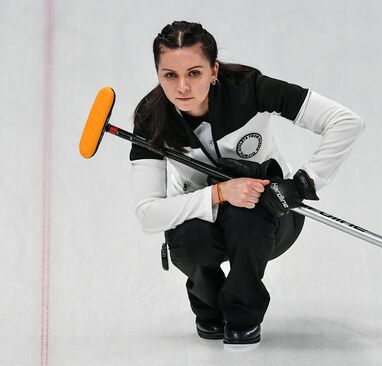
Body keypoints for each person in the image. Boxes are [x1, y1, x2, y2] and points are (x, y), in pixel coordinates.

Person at [130, 20, 364, 349]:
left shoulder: (249, 88)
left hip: (270, 216)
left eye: (194, 73)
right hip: (203, 221)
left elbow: (345, 122)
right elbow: (147, 213)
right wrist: (219, 193)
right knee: (191, 237)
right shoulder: (151, 117)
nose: (183, 87)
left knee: (245, 215)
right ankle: (209, 306)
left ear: (214, 70)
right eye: (170, 75)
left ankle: (243, 314)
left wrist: (301, 185)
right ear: (158, 73)